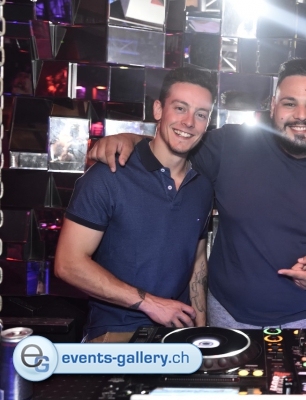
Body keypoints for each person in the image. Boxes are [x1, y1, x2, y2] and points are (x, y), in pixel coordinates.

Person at [88, 59, 306, 329]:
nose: (301, 115)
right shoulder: (231, 144)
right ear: (273, 106)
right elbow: (176, 143)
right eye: (289, 103)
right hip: (229, 317)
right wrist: (129, 139)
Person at [54, 68, 217, 342]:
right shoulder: (109, 175)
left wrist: (200, 331)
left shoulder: (201, 187)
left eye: (201, 114)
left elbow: (197, 263)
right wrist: (150, 303)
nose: (189, 122)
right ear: (158, 109)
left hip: (178, 332)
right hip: (116, 331)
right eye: (180, 108)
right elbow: (68, 264)